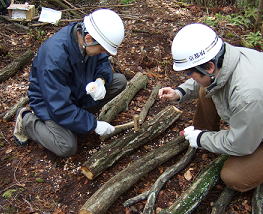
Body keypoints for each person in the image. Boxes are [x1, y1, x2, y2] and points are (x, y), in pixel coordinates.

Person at [159, 23, 263, 192]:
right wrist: (179, 92)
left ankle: (203, 138)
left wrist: (202, 139)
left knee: (234, 176)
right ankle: (204, 136)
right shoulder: (224, 58)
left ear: (209, 67)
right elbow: (202, 78)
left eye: (188, 73)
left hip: (252, 127)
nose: (188, 76)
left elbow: (242, 144)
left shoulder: (247, 96)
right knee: (204, 89)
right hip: (254, 115)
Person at [13, 9, 127, 157]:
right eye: (101, 49)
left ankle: (77, 117)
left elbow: (102, 62)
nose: (103, 53)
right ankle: (26, 120)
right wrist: (93, 124)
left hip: (76, 90)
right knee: (66, 146)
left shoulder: (87, 41)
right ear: (88, 38)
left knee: (119, 81)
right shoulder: (55, 58)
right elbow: (59, 107)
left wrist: (101, 80)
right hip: (49, 102)